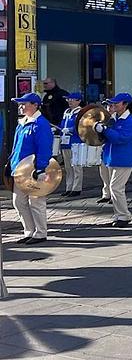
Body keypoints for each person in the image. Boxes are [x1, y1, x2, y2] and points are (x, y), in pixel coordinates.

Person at [9, 92, 55, 245]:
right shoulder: (22, 123)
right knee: (19, 202)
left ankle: (40, 233)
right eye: (20, 104)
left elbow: (44, 148)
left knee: (36, 202)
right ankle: (29, 231)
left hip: (33, 169)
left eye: (24, 104)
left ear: (35, 105)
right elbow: (16, 147)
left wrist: (41, 168)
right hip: (20, 169)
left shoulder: (41, 124)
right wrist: (11, 163)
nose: (21, 107)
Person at [94, 92, 132, 227]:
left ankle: (123, 216)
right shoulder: (114, 119)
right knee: (115, 188)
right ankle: (119, 215)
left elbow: (121, 138)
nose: (112, 105)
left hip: (123, 159)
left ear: (125, 105)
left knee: (116, 188)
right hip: (112, 157)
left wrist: (105, 130)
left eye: (116, 103)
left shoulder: (131, 121)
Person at [59, 92, 84, 197]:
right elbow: (62, 124)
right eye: (68, 99)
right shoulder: (67, 112)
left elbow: (82, 127)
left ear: (79, 101)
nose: (69, 101)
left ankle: (76, 188)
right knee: (68, 167)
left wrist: (70, 130)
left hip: (76, 142)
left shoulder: (81, 113)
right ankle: (69, 187)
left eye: (72, 99)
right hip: (65, 142)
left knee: (76, 166)